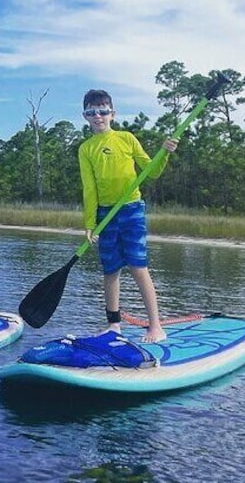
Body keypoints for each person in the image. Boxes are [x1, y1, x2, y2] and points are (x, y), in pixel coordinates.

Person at [78, 89, 177, 343]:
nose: (98, 116)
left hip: (131, 209)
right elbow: (89, 189)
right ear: (85, 116)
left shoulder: (126, 138)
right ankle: (114, 326)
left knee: (138, 266)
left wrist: (164, 152)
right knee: (110, 270)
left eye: (103, 111)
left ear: (113, 114)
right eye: (92, 112)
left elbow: (152, 172)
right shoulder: (86, 148)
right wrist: (91, 224)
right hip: (105, 213)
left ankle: (155, 326)